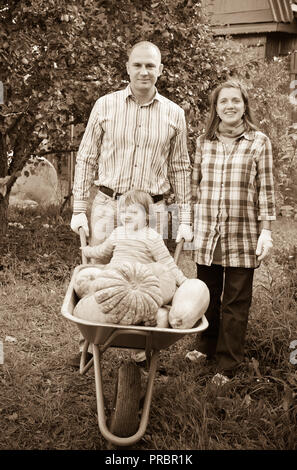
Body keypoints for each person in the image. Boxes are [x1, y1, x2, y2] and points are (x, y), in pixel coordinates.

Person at [68, 41, 193, 366]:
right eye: (138, 64)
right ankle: (93, 341)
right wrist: (79, 208)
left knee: (150, 281)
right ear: (127, 67)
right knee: (99, 278)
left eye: (150, 65)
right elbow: (86, 157)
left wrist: (186, 218)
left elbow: (180, 167)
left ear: (160, 70)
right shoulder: (105, 105)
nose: (144, 71)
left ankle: (142, 348)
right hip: (110, 205)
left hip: (155, 210)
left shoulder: (174, 114)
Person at [191, 79, 276, 382]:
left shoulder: (258, 142)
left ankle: (227, 363)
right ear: (215, 108)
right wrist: (185, 223)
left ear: (244, 105)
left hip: (242, 235)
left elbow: (265, 190)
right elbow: (193, 186)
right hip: (207, 232)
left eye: (235, 100)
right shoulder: (204, 141)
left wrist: (265, 231)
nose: (229, 105)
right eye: (223, 101)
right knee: (207, 295)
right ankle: (204, 346)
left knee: (236, 302)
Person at [81, 189, 187, 288]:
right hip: (114, 278)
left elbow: (167, 263)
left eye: (134, 212)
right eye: (123, 212)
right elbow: (102, 251)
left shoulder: (152, 237)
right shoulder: (118, 232)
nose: (127, 216)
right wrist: (87, 251)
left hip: (138, 284)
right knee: (100, 284)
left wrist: (183, 282)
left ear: (148, 215)